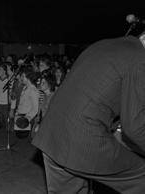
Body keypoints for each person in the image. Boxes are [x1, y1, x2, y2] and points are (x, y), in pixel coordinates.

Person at [32, 33, 145, 194]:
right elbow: (135, 127)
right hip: (83, 140)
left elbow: (95, 95)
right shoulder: (140, 58)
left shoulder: (105, 44)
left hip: (52, 135)